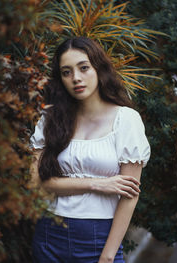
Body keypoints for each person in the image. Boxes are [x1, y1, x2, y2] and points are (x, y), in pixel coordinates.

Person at [30, 37, 150, 263]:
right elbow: (35, 183)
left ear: (98, 68)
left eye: (83, 68)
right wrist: (97, 183)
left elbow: (129, 196)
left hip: (98, 240)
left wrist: (107, 256)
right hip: (48, 235)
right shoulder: (50, 119)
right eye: (66, 72)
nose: (76, 78)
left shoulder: (125, 120)